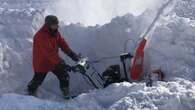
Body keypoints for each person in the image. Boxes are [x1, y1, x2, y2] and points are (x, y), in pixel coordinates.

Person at [27, 15, 79, 97]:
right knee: (38, 80)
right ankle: (30, 92)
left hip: (53, 61)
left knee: (64, 75)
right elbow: (49, 53)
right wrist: (61, 63)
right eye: (54, 25)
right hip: (42, 62)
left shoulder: (55, 32)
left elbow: (62, 44)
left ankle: (66, 94)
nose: (57, 26)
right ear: (48, 25)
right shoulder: (40, 36)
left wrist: (72, 55)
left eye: (57, 24)